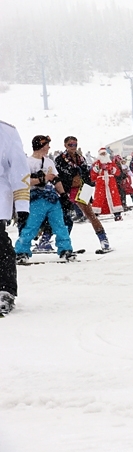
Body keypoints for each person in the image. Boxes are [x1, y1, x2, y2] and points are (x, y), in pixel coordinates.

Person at [14, 135, 75, 263]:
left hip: (52, 198)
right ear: (41, 145)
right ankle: (21, 251)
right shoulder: (27, 162)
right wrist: (42, 179)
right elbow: (24, 181)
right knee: (31, 226)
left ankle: (66, 249)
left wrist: (63, 195)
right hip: (36, 198)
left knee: (60, 225)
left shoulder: (49, 162)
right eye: (47, 145)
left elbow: (55, 179)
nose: (49, 147)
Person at [55, 136, 112, 252]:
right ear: (65, 145)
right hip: (66, 190)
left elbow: (87, 174)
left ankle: (103, 239)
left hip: (81, 189)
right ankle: (59, 243)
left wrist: (88, 187)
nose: (73, 147)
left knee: (91, 215)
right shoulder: (60, 159)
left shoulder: (81, 159)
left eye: (75, 144)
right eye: (70, 145)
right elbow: (58, 176)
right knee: (62, 218)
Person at [0, 120, 30, 315]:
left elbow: (19, 169)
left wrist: (22, 205)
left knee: (0, 245)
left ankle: (5, 290)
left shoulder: (6, 132)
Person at [91, 149, 124, 221]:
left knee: (114, 197)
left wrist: (111, 169)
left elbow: (117, 172)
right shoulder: (96, 163)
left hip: (110, 181)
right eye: (102, 154)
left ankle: (117, 213)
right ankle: (95, 214)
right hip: (101, 182)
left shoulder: (111, 163)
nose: (103, 155)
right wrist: (98, 168)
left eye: (104, 154)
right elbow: (93, 175)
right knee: (99, 197)